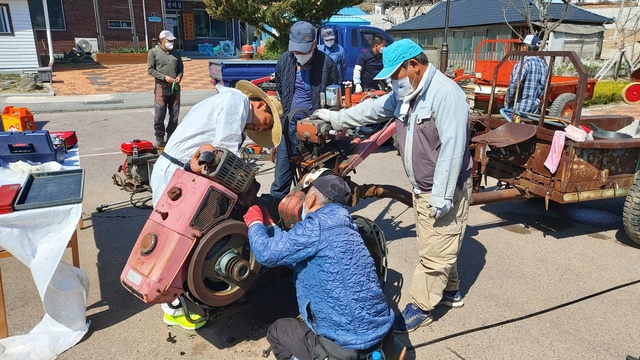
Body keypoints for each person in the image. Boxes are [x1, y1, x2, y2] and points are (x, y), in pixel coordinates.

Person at [313, 39, 473, 334]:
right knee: (436, 242)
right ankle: (450, 292)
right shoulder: (407, 92)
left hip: (443, 189)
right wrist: (335, 118)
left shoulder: (446, 94)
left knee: (435, 252)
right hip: (422, 187)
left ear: (413, 65)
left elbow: (453, 148)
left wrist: (441, 196)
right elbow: (371, 110)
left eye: (395, 74)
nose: (393, 82)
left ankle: (422, 308)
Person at [244, 175, 395, 360]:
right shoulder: (348, 226)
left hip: (347, 350)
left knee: (278, 332)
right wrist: (269, 226)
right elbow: (296, 255)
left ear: (313, 199)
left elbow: (265, 253)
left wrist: (254, 223)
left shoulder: (316, 226)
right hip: (383, 338)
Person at [149, 80, 283, 208]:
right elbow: (225, 151)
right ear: (261, 105)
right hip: (174, 172)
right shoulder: (236, 102)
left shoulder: (228, 100)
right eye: (267, 123)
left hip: (176, 169)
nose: (261, 129)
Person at [269, 21, 339, 201]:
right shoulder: (285, 60)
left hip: (315, 131)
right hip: (288, 128)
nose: (298, 55)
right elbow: (281, 88)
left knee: (314, 178)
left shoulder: (327, 64)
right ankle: (277, 213)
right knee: (281, 180)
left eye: (303, 51)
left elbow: (334, 95)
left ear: (314, 45)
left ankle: (311, 211)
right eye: (296, 51)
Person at [148, 30, 184, 148]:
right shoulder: (153, 52)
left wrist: (179, 77)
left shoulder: (177, 54)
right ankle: (159, 138)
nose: (171, 43)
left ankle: (171, 138)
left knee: (174, 117)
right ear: (162, 40)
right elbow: (150, 70)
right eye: (169, 40)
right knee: (159, 116)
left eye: (172, 40)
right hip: (161, 87)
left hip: (174, 88)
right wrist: (164, 77)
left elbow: (180, 69)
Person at [504, 34, 548, 115]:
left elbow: (515, 83)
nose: (521, 49)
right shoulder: (543, 65)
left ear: (526, 47)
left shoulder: (524, 63)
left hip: (519, 107)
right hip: (534, 108)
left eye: (522, 46)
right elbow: (543, 87)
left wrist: (509, 98)